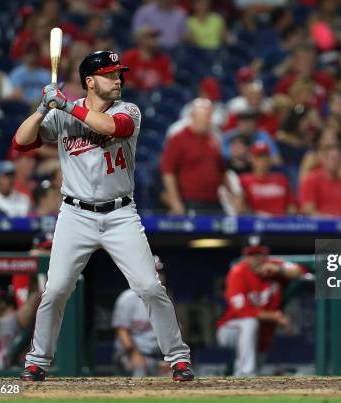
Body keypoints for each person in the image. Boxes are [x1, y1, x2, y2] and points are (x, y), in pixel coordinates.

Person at [12, 50, 193, 382]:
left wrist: (66, 105)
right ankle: (37, 361)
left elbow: (114, 127)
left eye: (119, 73)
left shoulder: (128, 110)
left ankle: (178, 358)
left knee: (150, 287)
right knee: (55, 291)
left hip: (120, 213)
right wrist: (41, 109)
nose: (118, 79)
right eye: (110, 74)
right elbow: (20, 143)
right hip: (75, 214)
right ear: (90, 81)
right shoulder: (62, 115)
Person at [216, 235, 307, 376]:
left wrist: (280, 271)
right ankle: (246, 374)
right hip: (230, 329)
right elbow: (242, 311)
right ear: (244, 256)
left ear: (266, 253)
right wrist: (275, 316)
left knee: (256, 366)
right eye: (251, 254)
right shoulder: (238, 272)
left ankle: (242, 383)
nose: (256, 258)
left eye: (259, 253)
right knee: (249, 323)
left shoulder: (275, 265)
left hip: (261, 334)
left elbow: (301, 271)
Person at [161, 98, 232, 215]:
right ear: (193, 116)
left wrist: (232, 194)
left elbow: (222, 170)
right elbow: (168, 171)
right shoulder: (178, 138)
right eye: (205, 116)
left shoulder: (214, 138)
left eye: (210, 116)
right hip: (191, 201)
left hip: (214, 200)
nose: (208, 120)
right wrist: (175, 201)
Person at [113, 256, 169, 376]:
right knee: (140, 369)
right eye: (154, 272)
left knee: (175, 374)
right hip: (128, 353)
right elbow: (121, 331)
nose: (158, 276)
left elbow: (172, 333)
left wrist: (170, 358)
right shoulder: (128, 298)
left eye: (159, 272)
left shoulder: (165, 300)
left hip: (156, 355)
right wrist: (134, 353)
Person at [238, 142, 295, 216]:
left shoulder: (281, 179)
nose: (262, 160)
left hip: (281, 223)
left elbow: (291, 205)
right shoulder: (244, 180)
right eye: (258, 157)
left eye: (265, 156)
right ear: (252, 159)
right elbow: (241, 208)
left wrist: (291, 218)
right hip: (256, 222)